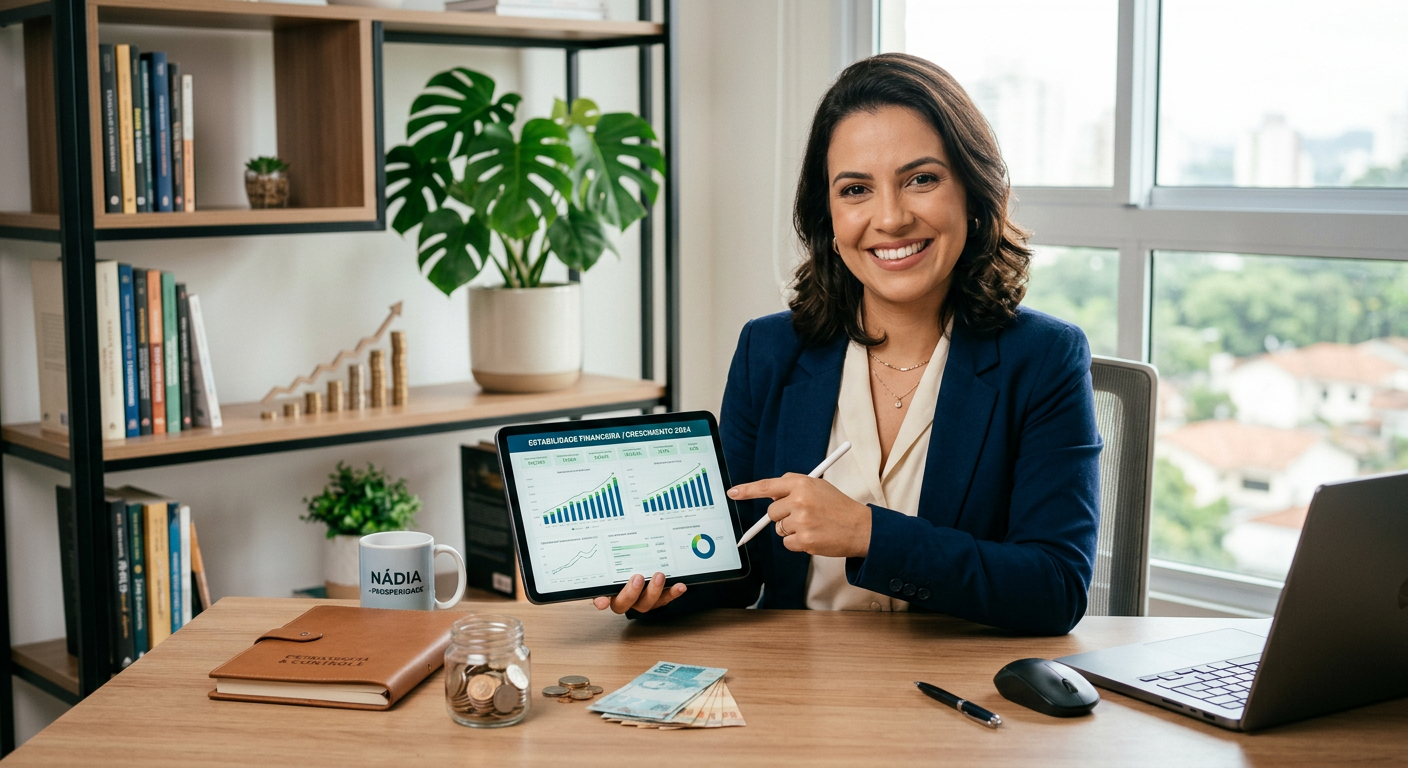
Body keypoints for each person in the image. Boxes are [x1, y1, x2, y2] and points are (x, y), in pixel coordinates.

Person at [593, 53, 1102, 635]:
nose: (890, 218)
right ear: (829, 217)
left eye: (921, 179)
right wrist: (660, 588)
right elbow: (739, 564)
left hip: (956, 680)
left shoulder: (1044, 357)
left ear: (973, 193)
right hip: (797, 677)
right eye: (856, 189)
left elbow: (1055, 588)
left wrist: (868, 533)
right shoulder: (768, 351)